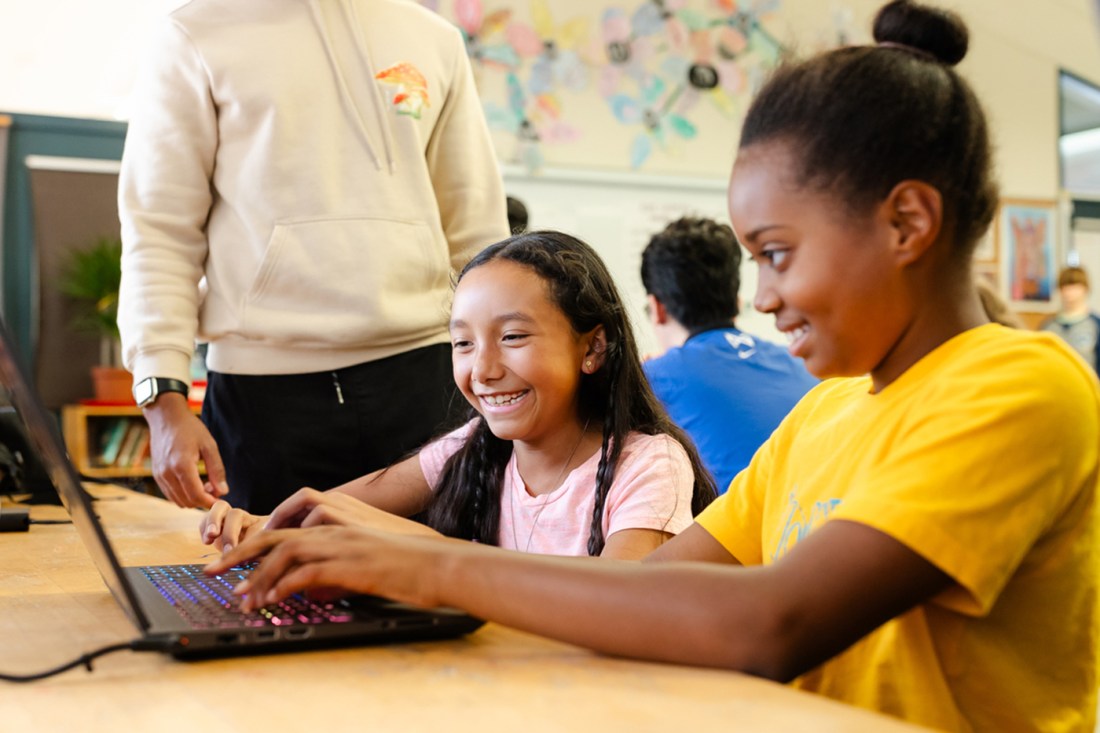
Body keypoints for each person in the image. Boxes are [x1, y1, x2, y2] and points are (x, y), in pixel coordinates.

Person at [208, 2, 1100, 730]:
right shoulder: (830, 410)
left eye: (779, 253)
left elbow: (769, 623)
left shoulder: (1023, 384)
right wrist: (380, 548)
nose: (764, 296)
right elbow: (646, 590)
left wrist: (426, 569)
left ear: (907, 223)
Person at [117, 0, 510, 514]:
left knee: (438, 584)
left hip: (425, 380)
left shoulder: (432, 38)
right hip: (264, 397)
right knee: (263, 586)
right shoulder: (195, 35)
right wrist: (162, 400)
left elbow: (474, 224)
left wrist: (497, 358)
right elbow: (160, 228)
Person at [201, 231, 717, 559]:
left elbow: (619, 602)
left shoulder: (649, 463)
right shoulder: (475, 446)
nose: (484, 369)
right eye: (462, 343)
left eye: (512, 337)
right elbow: (336, 508)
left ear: (593, 347)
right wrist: (262, 524)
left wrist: (431, 550)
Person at [641, 216, 817, 492]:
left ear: (657, 308)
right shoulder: (804, 364)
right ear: (737, 302)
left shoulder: (650, 380)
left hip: (728, 530)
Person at [1041, 265, 1100, 370]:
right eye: (1065, 286)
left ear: (1085, 288)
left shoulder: (1095, 324)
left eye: (1075, 286)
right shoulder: (1048, 326)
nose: (1069, 292)